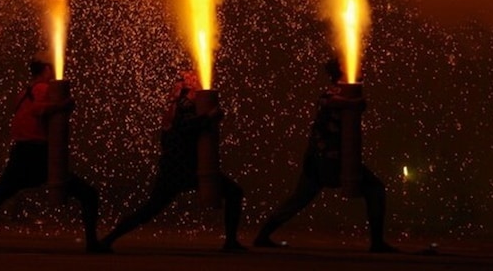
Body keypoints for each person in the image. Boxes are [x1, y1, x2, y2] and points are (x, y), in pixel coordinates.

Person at [0, 54, 105, 252]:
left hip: (22, 153)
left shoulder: (23, 93)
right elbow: (38, 109)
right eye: (51, 69)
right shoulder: (43, 88)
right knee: (88, 194)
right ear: (46, 69)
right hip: (35, 154)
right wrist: (61, 106)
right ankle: (92, 244)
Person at [253, 57, 396, 252]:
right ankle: (377, 243)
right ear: (341, 70)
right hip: (327, 160)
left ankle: (262, 235)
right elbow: (331, 101)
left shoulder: (341, 92)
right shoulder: (333, 92)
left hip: (322, 159)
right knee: (375, 189)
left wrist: (356, 103)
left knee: (299, 199)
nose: (361, 66)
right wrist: (354, 103)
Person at [99, 70, 245, 252]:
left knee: (234, 192)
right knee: (150, 209)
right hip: (177, 167)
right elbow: (183, 127)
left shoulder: (188, 103)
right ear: (186, 84)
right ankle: (108, 240)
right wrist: (208, 117)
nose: (196, 75)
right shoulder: (183, 103)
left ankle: (230, 242)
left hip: (187, 166)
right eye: (190, 76)